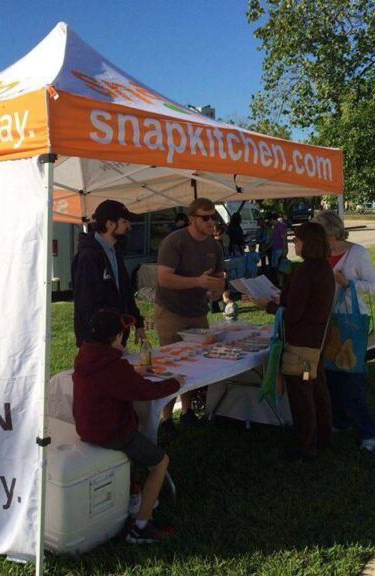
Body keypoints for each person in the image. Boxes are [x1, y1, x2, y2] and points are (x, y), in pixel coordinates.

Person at [72, 308, 184, 544]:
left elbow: (113, 379)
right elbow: (146, 391)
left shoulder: (86, 357)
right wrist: (176, 383)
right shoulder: (115, 367)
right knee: (160, 462)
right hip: (111, 432)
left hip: (86, 427)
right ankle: (141, 525)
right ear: (117, 337)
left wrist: (134, 371)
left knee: (138, 437)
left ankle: (133, 491)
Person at [254, 222, 336, 461]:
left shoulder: (306, 271)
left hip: (301, 343)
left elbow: (293, 314)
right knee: (317, 391)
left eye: (297, 240)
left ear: (308, 243)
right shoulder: (323, 268)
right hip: (316, 340)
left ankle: (305, 446)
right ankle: (323, 437)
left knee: (302, 396)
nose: (293, 243)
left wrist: (269, 305)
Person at [155, 198, 225, 440]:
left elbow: (219, 278)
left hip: (197, 311)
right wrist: (198, 282)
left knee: (195, 363)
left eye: (213, 217)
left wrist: (216, 290)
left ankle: (187, 411)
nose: (211, 222)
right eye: (205, 217)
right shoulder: (174, 241)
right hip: (171, 311)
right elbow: (164, 278)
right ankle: (165, 419)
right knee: (171, 364)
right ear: (191, 218)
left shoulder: (215, 246)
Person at [312, 210, 375, 452]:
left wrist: (348, 283)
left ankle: (367, 432)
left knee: (352, 379)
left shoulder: (357, 253)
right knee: (331, 377)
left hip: (351, 322)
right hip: (326, 323)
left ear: (330, 232)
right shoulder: (320, 254)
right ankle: (340, 421)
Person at [72, 200, 146, 347]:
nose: (129, 226)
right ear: (110, 224)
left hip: (115, 335)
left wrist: (138, 322)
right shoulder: (88, 256)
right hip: (98, 339)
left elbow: (125, 291)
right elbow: (86, 302)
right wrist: (105, 338)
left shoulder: (114, 250)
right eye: (124, 222)